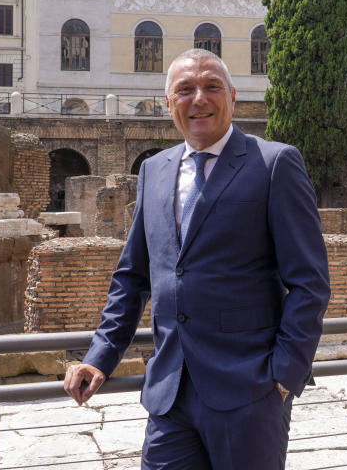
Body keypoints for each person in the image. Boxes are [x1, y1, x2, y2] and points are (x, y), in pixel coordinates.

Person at [64, 48, 330, 469]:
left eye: (212, 87)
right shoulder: (154, 170)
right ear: (169, 103)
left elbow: (310, 281)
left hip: (251, 392)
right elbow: (133, 277)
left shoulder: (274, 163)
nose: (199, 99)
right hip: (170, 395)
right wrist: (100, 355)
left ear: (233, 96)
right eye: (185, 90)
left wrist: (284, 374)